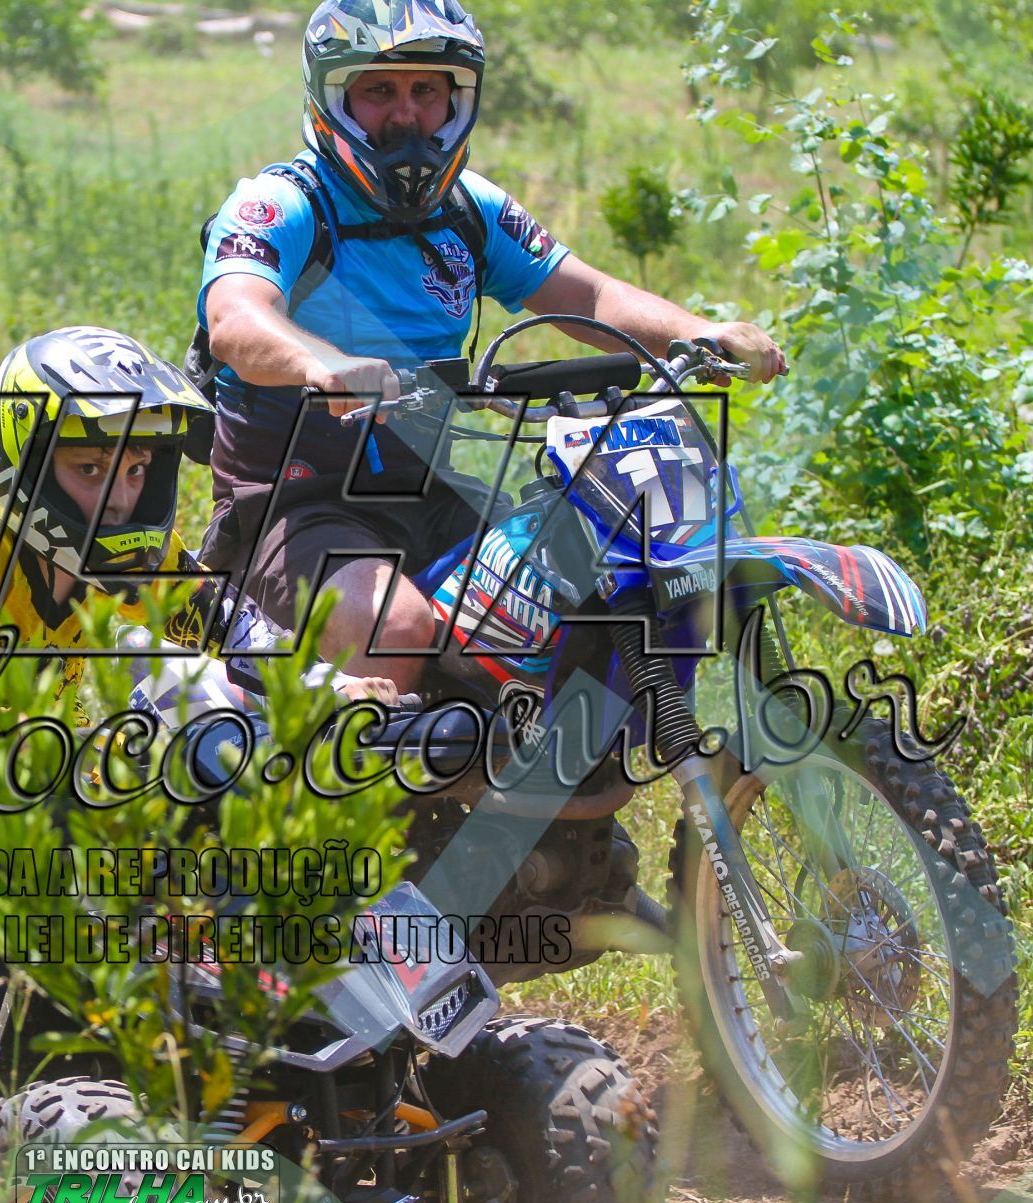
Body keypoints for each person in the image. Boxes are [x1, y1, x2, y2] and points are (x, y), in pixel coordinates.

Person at [0, 325, 396, 1203]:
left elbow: (234, 627)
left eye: (135, 471)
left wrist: (326, 687)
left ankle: (241, 1058)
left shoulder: (132, 560)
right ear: (29, 464)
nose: (121, 497)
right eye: (92, 470)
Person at [196, 0, 788, 693]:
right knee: (395, 627)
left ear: (457, 100)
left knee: (574, 589)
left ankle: (564, 764)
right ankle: (331, 757)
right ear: (334, 98)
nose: (406, 114)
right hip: (293, 507)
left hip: (429, 494)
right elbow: (235, 318)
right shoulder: (283, 202)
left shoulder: (470, 210)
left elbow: (590, 296)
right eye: (379, 90)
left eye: (426, 91)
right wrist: (319, 364)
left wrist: (701, 331)